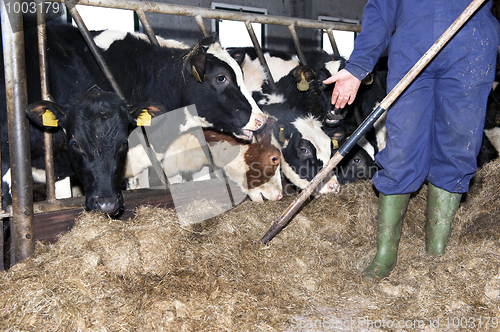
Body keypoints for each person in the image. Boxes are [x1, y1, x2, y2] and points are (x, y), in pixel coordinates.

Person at [323, 0, 500, 281]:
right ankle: (385, 254)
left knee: (458, 145)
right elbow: (382, 7)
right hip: (412, 47)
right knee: (401, 148)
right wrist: (358, 65)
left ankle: (436, 252)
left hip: (471, 45)